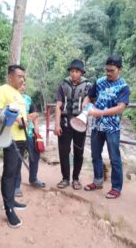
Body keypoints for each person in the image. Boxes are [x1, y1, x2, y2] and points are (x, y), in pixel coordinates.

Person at [83, 55, 130, 199]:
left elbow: (120, 108)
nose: (108, 73)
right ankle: (97, 181)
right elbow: (88, 97)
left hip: (112, 128)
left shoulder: (123, 86)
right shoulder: (99, 82)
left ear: (120, 69)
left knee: (114, 158)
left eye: (112, 71)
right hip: (97, 126)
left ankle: (116, 187)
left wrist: (100, 112)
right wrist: (85, 106)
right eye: (106, 70)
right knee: (95, 155)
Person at [0, 64, 27, 228]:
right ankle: (9, 210)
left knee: (15, 172)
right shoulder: (2, 90)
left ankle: (12, 200)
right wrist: (13, 118)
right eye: (19, 76)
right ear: (10, 77)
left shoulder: (18, 94)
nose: (22, 79)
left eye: (23, 77)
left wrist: (23, 122)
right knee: (9, 173)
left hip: (21, 138)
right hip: (10, 139)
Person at [54, 59, 91, 190]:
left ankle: (76, 179)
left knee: (78, 152)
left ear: (81, 72)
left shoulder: (87, 86)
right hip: (64, 123)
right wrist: (56, 124)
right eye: (72, 71)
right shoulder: (63, 85)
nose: (74, 74)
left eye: (77, 71)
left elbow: (91, 103)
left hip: (80, 124)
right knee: (63, 151)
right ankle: (65, 178)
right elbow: (58, 105)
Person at [14, 81, 45, 191]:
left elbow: (36, 113)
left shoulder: (28, 99)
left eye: (24, 85)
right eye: (21, 84)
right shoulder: (12, 98)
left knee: (35, 157)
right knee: (17, 159)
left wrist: (36, 127)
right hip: (17, 135)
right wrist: (26, 117)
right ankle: (16, 186)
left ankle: (33, 179)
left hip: (30, 133)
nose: (23, 86)